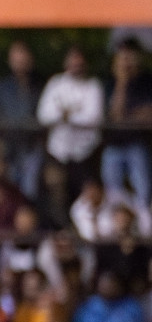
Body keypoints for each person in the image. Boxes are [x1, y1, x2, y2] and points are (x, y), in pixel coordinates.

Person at [38, 47, 105, 208]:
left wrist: (65, 114)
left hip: (85, 154)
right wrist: (74, 112)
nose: (76, 65)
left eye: (79, 62)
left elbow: (93, 117)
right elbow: (44, 115)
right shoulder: (56, 84)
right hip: (58, 152)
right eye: (73, 61)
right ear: (66, 63)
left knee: (86, 198)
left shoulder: (93, 86)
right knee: (54, 193)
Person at [0, 40, 44, 199]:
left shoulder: (40, 87)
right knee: (8, 192)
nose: (20, 63)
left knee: (29, 193)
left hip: (33, 149)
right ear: (10, 61)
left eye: (23, 58)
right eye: (16, 59)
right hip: (8, 150)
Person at [102, 38, 152, 208]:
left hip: (138, 143)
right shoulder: (111, 83)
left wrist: (126, 116)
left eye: (130, 56)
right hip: (114, 144)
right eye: (122, 56)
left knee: (142, 189)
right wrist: (122, 82)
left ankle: (145, 226)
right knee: (113, 192)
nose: (126, 60)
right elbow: (115, 115)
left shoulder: (147, 81)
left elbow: (148, 115)